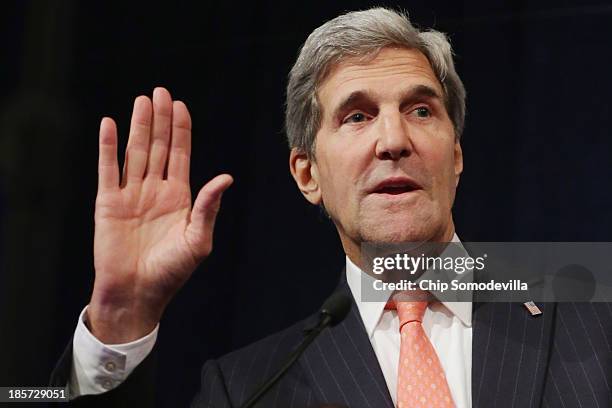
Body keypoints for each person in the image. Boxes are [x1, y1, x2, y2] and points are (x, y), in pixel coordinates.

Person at [51, 7, 612, 408]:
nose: (393, 140)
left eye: (420, 110)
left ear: (457, 154)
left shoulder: (593, 310)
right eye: (357, 116)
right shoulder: (247, 388)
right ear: (308, 175)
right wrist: (121, 320)